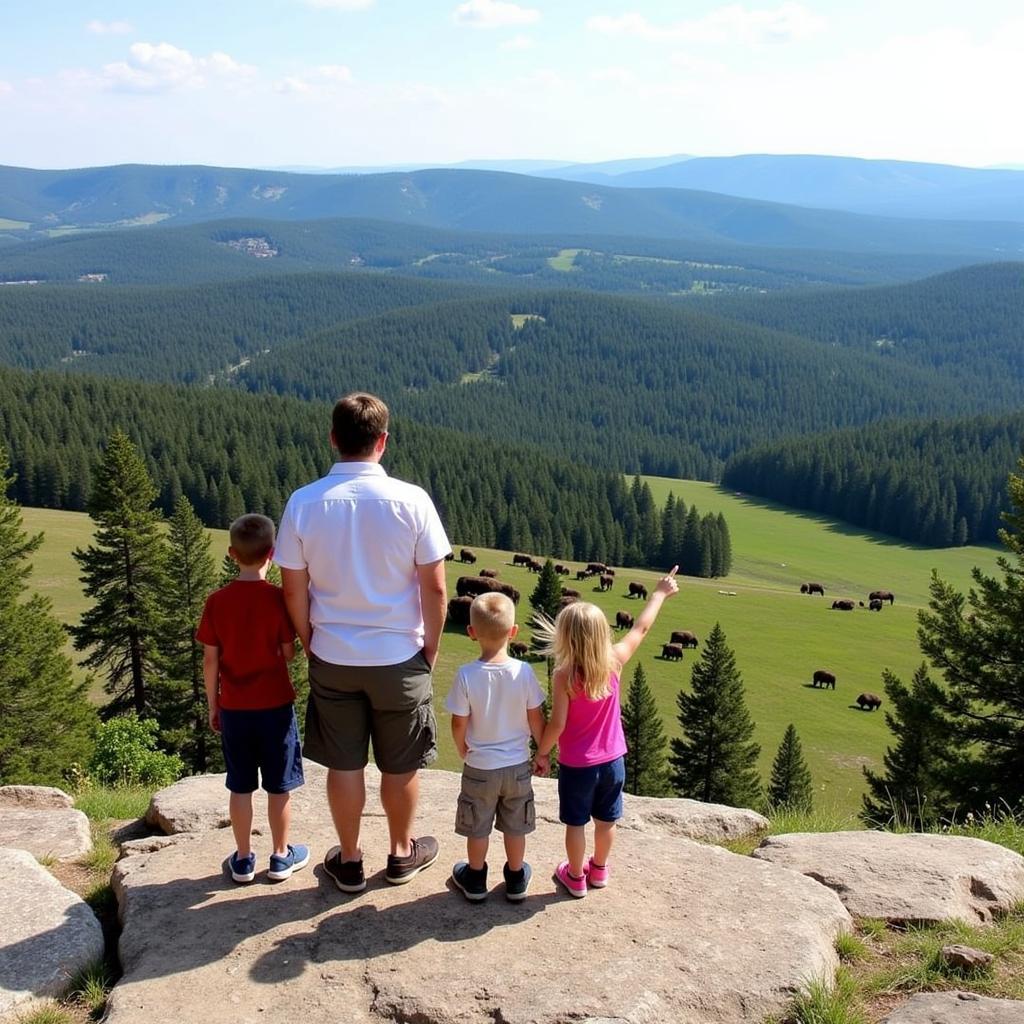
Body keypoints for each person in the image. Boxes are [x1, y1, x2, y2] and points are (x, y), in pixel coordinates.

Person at [275, 393, 451, 893]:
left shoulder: (304, 502)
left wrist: (311, 640)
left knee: (344, 763)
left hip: (333, 654)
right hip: (400, 655)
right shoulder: (413, 500)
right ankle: (400, 853)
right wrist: (430, 650)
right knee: (401, 763)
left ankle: (349, 859)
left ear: (333, 439)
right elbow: (435, 587)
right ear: (383, 442)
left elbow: (292, 587)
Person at [535, 567, 679, 898]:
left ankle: (575, 876)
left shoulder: (564, 676)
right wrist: (659, 593)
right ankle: (598, 869)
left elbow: (556, 724)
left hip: (577, 765)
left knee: (575, 823)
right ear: (603, 635)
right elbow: (641, 629)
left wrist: (542, 753)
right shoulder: (615, 660)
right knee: (606, 822)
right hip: (614, 760)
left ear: (564, 637)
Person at [197, 513, 308, 884]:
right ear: (271, 554)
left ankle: (243, 859)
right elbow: (289, 653)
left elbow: (210, 659)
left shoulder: (216, 602)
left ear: (232, 553)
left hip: (235, 708)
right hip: (275, 707)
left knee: (240, 784)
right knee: (280, 785)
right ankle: (280, 855)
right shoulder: (277, 600)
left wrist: (214, 705)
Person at [445, 593, 546, 902]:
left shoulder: (465, 674)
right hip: (516, 767)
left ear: (471, 632)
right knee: (516, 824)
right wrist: (542, 753)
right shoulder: (524, 672)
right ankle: (516, 877)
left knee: (478, 825)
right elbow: (536, 719)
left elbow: (458, 722)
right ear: (513, 632)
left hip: (480, 767)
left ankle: (475, 878)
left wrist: (463, 747)